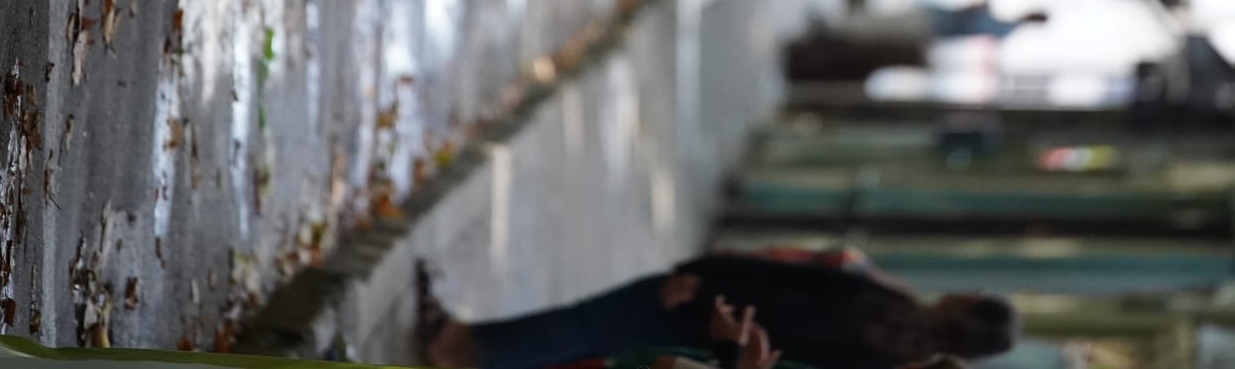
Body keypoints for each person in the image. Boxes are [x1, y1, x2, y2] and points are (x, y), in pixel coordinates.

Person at [421, 249, 1017, 369]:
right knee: (586, 335)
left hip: (707, 314)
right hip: (712, 336)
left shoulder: (890, 309)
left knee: (584, 326)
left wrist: (701, 279)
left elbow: (782, 287)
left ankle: (458, 349)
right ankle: (463, 341)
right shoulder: (891, 352)